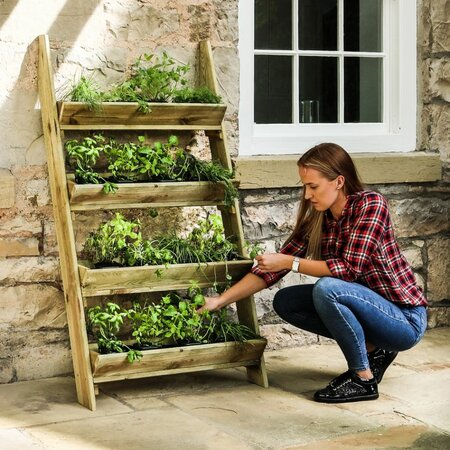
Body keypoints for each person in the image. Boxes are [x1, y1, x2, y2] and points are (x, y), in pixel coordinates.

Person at [199, 143, 428, 403]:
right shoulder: (318, 219)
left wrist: (289, 262)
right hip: (369, 311)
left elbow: (348, 269)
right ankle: (374, 349)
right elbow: (269, 271)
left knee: (328, 288)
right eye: (305, 186)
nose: (307, 195)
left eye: (313, 186)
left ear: (339, 181)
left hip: (404, 320)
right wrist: (219, 300)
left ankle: (362, 379)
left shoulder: (371, 205)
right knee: (286, 301)